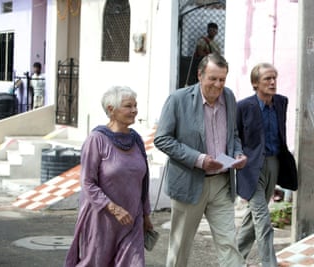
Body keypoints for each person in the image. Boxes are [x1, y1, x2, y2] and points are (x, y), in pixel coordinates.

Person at [154, 53, 249, 267]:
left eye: (222, 79)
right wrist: (198, 159)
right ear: (200, 75)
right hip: (189, 183)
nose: (218, 85)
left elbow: (233, 134)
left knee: (229, 244)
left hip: (222, 184)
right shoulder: (178, 99)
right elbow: (162, 139)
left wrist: (237, 154)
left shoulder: (230, 97)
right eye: (212, 78)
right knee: (180, 248)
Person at [64, 86, 154, 267]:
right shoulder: (96, 139)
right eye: (128, 106)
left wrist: (145, 214)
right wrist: (113, 208)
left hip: (132, 219)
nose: (134, 110)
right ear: (111, 110)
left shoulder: (136, 139)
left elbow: (143, 181)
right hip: (102, 219)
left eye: (135, 105)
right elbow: (88, 182)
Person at [236, 63, 294, 267]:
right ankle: (269, 263)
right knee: (262, 218)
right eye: (267, 79)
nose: (272, 82)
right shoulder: (243, 107)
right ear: (255, 83)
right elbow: (235, 136)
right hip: (250, 169)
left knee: (252, 218)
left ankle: (234, 261)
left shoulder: (281, 102)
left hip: (273, 163)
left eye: (274, 78)